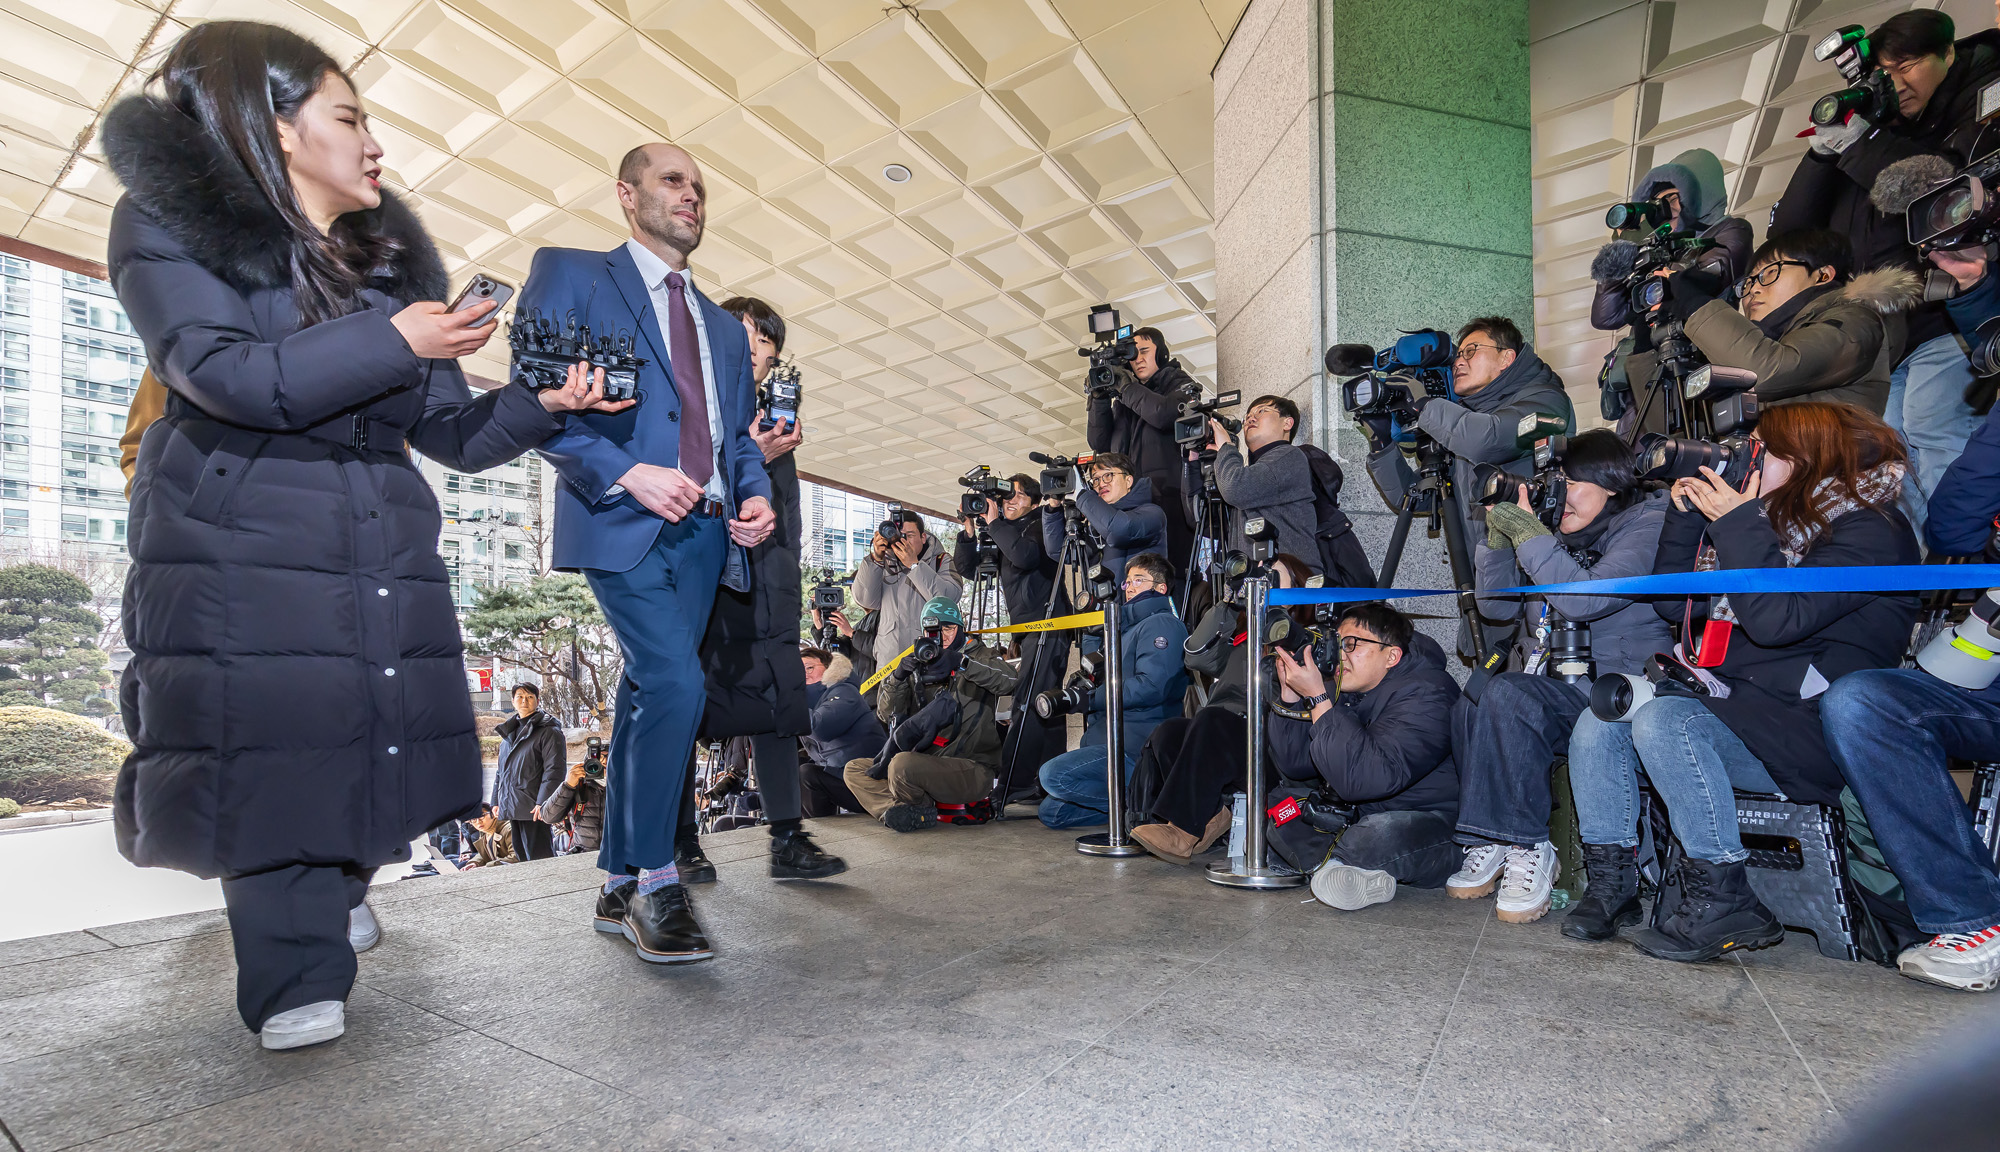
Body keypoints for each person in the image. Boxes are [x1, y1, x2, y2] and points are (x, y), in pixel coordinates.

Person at [99, 22, 619, 1051]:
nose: (375, 144)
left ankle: (333, 885)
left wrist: (541, 401)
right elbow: (228, 374)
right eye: (350, 118)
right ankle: (293, 970)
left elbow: (451, 435)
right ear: (277, 128)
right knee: (277, 749)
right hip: (241, 544)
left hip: (376, 546)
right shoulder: (163, 226)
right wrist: (392, 337)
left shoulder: (385, 271)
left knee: (366, 738)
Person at [524, 140, 777, 966]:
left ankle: (615, 881)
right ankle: (659, 880)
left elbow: (735, 436)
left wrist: (755, 493)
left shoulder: (723, 332)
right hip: (622, 519)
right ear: (628, 196)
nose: (691, 195)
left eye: (699, 186)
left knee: (644, 695)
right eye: (673, 181)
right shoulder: (570, 274)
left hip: (706, 535)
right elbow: (542, 402)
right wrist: (628, 471)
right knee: (674, 680)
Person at [1562, 402, 1920, 961]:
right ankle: (1615, 883)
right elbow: (1670, 600)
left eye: (1765, 451)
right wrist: (1687, 517)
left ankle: (1725, 898)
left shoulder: (1873, 529)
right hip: (1745, 711)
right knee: (1603, 714)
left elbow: (1778, 622)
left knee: (1667, 719)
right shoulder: (1768, 524)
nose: (1749, 459)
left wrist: (1736, 522)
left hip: (1816, 728)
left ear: (1808, 459)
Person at [1774, 10, 2000, 522]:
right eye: (1885, 70)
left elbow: (1946, 191)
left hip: (1950, 309)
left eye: (1909, 65)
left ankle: (1965, 562)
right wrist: (1822, 154)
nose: (1896, 82)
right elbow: (1788, 231)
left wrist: (1865, 143)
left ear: (1948, 53)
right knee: (1891, 447)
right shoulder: (1880, 123)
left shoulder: (1982, 97)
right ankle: (1930, 575)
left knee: (1930, 426)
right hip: (1888, 331)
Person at [1447, 431, 1669, 924]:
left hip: (1621, 696)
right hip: (1557, 685)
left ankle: (1528, 847)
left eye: (1571, 483)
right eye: (1554, 482)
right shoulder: (1553, 535)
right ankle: (1491, 839)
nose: (1558, 494)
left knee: (1509, 695)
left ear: (1611, 483)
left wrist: (1532, 536)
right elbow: (1496, 610)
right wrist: (1497, 542)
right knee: (1475, 700)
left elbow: (1585, 600)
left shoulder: (1649, 524)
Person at [671, 295, 846, 885]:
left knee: (779, 706)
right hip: (707, 583)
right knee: (686, 710)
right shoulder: (683, 399)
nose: (754, 359)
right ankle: (678, 842)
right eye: (743, 344)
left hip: (769, 583)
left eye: (765, 352)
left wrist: (767, 457)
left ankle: (788, 839)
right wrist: (749, 457)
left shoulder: (769, 418)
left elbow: (784, 518)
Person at [1363, 316, 1573, 652]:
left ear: (1507, 358)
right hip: (1492, 582)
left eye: (1471, 351)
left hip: (1538, 583)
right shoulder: (1463, 422)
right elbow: (1415, 498)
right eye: (1458, 354)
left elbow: (1486, 440)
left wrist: (1424, 405)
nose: (1459, 361)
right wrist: (1381, 442)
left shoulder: (1545, 400)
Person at [1264, 602, 1463, 910]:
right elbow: (1295, 764)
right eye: (1337, 643)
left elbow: (1369, 778)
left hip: (1433, 824)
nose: (1340, 654)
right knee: (1284, 809)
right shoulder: (1346, 687)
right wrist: (1291, 698)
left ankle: (1339, 867)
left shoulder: (1430, 692)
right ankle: (1354, 873)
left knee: (1375, 838)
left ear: (1392, 655)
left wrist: (1318, 698)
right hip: (1362, 813)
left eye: (1352, 644)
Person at [1127, 554, 1316, 863]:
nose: (1267, 587)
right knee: (1170, 731)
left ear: (1300, 587)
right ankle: (1212, 818)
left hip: (1272, 744)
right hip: (1225, 733)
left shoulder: (1310, 638)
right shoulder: (1245, 636)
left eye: (1275, 580)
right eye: (1263, 580)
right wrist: (1228, 604)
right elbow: (1195, 658)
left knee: (1213, 721)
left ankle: (1182, 831)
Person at [1659, 229, 1915, 415]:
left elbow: (1766, 372)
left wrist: (1696, 305)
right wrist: (1652, 339)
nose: (1753, 290)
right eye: (1747, 282)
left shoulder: (1855, 320)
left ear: (1823, 275)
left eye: (1769, 272)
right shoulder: (1765, 345)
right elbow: (1671, 434)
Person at [1589, 148, 1754, 436]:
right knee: (1642, 460)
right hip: (1645, 369)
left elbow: (1711, 275)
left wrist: (1668, 266)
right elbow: (1606, 317)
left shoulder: (1730, 230)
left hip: (1698, 361)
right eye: (1657, 203)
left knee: (1692, 452)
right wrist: (1626, 250)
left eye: (1672, 199)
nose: (1663, 209)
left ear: (1697, 196)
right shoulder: (1648, 250)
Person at [1037, 552, 1190, 829]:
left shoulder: (1163, 624)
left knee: (1053, 775)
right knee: (1052, 813)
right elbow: (1094, 673)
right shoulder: (1123, 627)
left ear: (1160, 588)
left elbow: (1151, 687)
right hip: (1105, 741)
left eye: (1138, 580)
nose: (1129, 586)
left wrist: (1091, 699)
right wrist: (1094, 632)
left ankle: (1149, 802)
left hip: (1135, 747)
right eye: (1127, 581)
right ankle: (1133, 808)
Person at [843, 598, 1017, 831]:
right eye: (933, 630)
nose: (942, 636)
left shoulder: (982, 655)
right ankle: (903, 811)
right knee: (854, 769)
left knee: (901, 765)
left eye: (948, 628)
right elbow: (886, 715)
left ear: (960, 627)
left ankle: (907, 807)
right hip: (926, 763)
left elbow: (1009, 682)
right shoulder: (920, 658)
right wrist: (898, 678)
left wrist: (962, 663)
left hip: (971, 768)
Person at [955, 471, 1068, 804]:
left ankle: (1013, 783)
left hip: (1049, 625)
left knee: (1028, 700)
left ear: (1033, 500)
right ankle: (1046, 782)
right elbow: (969, 568)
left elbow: (1025, 557)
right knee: (1047, 706)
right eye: (1005, 498)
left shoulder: (1039, 524)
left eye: (1016, 496)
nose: (1008, 503)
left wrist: (994, 524)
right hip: (1032, 629)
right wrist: (969, 529)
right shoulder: (1007, 530)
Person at [1087, 325, 1200, 573]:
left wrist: (1126, 388)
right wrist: (1100, 399)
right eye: (1131, 354)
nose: (1137, 359)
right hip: (1129, 506)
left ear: (1161, 354)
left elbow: (1163, 414)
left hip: (1171, 505)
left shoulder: (1178, 383)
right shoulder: (1126, 400)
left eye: (1144, 351)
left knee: (1172, 576)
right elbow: (1099, 443)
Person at [1195, 394, 1319, 570]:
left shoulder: (1290, 456)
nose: (1250, 418)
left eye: (1262, 411)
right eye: (1247, 415)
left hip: (1290, 584)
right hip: (1255, 584)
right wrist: (1193, 460)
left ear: (1287, 423)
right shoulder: (1247, 472)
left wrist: (1227, 447)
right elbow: (1203, 521)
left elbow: (1234, 489)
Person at [853, 509, 962, 680]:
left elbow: (948, 599)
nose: (903, 541)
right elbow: (865, 600)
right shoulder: (882, 564)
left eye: (909, 535)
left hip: (931, 659)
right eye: (899, 536)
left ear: (923, 537)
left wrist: (915, 566)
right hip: (890, 662)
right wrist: (875, 560)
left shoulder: (941, 560)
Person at [1040, 452, 1167, 583]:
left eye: (1108, 476)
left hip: (1139, 601)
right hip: (1103, 602)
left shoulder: (1152, 513)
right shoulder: (1096, 525)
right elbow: (1060, 553)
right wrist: (1053, 508)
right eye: (1096, 479)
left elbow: (1119, 530)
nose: (1101, 484)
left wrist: (1082, 496)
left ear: (1128, 481)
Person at [798, 645, 884, 818]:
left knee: (807, 774)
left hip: (867, 782)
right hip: (840, 775)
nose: (804, 674)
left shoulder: (844, 691)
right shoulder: (811, 701)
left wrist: (790, 702)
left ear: (829, 668)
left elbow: (820, 728)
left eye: (810, 667)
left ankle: (822, 834)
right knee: (792, 766)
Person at [491, 683, 566, 862]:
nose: (524, 701)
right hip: (513, 805)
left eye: (530, 697)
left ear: (537, 701)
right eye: (520, 697)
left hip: (534, 806)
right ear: (513, 701)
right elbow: (501, 772)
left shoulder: (548, 731)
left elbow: (554, 769)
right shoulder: (509, 734)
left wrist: (544, 802)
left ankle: (550, 890)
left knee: (540, 858)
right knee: (522, 858)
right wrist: (496, 800)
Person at [540, 744, 607, 853]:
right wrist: (568, 786)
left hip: (618, 855)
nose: (603, 763)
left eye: (608, 759)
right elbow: (548, 817)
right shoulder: (578, 785)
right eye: (599, 758)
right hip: (583, 854)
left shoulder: (627, 786)